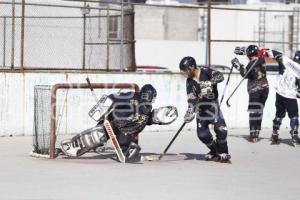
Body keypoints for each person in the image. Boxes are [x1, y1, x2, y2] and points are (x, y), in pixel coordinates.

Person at [60, 84, 178, 162]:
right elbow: (114, 97)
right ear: (143, 94)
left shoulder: (147, 110)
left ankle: (124, 149)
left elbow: (147, 121)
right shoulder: (133, 97)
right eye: (148, 96)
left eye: (151, 97)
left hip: (126, 131)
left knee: (127, 152)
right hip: (113, 122)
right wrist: (103, 106)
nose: (149, 99)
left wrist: (158, 118)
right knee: (98, 136)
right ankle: (73, 145)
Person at [179, 56, 231, 162]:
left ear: (192, 67)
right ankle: (214, 151)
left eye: (186, 70)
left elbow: (220, 76)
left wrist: (209, 83)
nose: (185, 73)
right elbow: (191, 98)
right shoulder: (189, 81)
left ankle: (223, 152)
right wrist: (190, 111)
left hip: (213, 107)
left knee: (221, 130)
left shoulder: (206, 71)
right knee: (202, 135)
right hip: (201, 110)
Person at [231, 45, 269, 142]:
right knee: (259, 111)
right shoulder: (262, 60)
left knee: (253, 112)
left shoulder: (252, 63)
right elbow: (256, 53)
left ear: (249, 55)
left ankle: (253, 136)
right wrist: (244, 51)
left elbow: (245, 74)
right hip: (265, 89)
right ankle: (256, 133)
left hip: (255, 90)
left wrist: (238, 65)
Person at [267, 50, 300, 146]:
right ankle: (294, 135)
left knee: (279, 114)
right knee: (294, 116)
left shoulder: (285, 61)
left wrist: (262, 52)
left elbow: (273, 53)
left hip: (279, 93)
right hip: (290, 95)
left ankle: (274, 135)